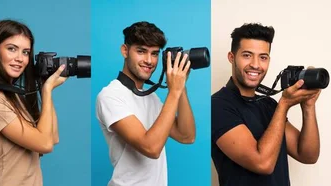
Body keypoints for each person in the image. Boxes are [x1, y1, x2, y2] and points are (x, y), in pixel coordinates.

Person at [211, 23, 321, 186]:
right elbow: (262, 163)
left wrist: (308, 106)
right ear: (232, 57)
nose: (255, 64)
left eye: (263, 57)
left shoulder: (268, 104)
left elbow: (307, 155)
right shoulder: (218, 106)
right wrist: (284, 104)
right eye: (247, 55)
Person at [95, 21, 197, 186]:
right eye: (141, 51)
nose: (149, 61)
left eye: (155, 53)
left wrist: (181, 87)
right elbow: (151, 148)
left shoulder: (151, 97)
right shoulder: (110, 96)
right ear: (125, 50)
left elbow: (186, 136)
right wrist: (173, 92)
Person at [0, 19, 64, 186]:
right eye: (12, 49)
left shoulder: (12, 96)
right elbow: (45, 144)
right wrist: (47, 90)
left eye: (26, 52)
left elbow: (52, 137)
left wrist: (45, 87)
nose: (20, 59)